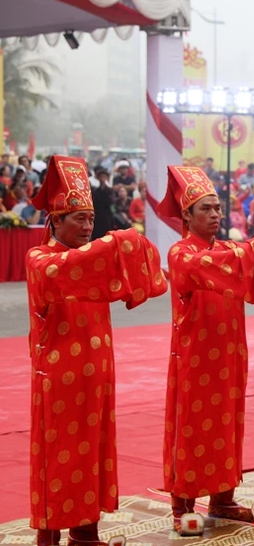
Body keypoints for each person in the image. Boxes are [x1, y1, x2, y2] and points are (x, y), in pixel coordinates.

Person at [25, 155, 167, 546]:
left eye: (91, 219)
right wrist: (118, 241)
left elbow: (144, 281)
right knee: (58, 457)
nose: (88, 227)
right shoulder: (40, 260)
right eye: (78, 219)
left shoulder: (92, 261)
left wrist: (131, 252)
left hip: (96, 376)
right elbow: (72, 268)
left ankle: (85, 533)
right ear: (55, 221)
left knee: (90, 454)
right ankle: (48, 537)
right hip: (58, 383)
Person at [157, 165, 254, 535]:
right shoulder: (180, 254)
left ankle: (222, 498)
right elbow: (211, 265)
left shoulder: (231, 249)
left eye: (217, 208)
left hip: (231, 354)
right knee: (191, 426)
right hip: (195, 357)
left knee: (228, 423)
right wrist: (250, 251)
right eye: (206, 209)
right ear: (186, 215)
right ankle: (181, 504)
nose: (215, 215)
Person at [90, 168, 115, 240]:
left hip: (107, 217)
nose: (102, 178)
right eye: (101, 176)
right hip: (98, 217)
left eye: (104, 176)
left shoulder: (110, 191)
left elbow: (112, 204)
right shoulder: (95, 192)